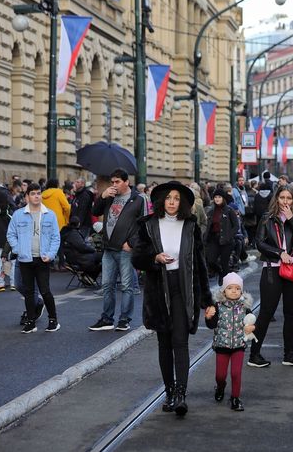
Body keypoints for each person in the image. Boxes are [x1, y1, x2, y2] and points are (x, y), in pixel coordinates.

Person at [131, 181, 214, 417]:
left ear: (183, 203)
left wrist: (207, 300)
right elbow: (137, 258)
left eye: (177, 199)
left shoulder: (190, 226)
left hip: (183, 288)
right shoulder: (147, 225)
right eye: (168, 198)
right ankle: (168, 391)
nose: (172, 202)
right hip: (158, 289)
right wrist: (154, 258)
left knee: (181, 340)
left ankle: (180, 394)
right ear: (160, 201)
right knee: (164, 343)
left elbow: (200, 264)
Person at [249, 185, 293, 368]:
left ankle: (289, 354)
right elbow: (258, 242)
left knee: (291, 313)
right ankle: (254, 354)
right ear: (276, 199)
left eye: (289, 198)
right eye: (282, 197)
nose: (285, 201)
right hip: (272, 269)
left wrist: (292, 220)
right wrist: (278, 252)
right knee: (266, 312)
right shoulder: (267, 218)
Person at [89, 168, 146, 332]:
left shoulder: (138, 199)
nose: (114, 185)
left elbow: (143, 225)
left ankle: (124, 319)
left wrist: (132, 243)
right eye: (112, 182)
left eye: (117, 182)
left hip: (125, 249)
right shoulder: (109, 197)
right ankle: (107, 319)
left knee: (127, 286)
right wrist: (102, 196)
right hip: (109, 248)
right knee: (107, 285)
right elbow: (94, 212)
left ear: (126, 182)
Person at [6, 183, 61, 333]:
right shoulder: (18, 214)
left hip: (43, 259)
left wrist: (50, 255)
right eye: (33, 193)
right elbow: (11, 234)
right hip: (25, 259)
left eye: (38, 193)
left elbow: (56, 238)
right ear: (27, 196)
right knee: (29, 292)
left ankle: (53, 320)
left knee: (45, 291)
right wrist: (18, 249)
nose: (36, 196)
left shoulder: (49, 214)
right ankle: (31, 322)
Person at [204, 272, 254, 412]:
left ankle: (235, 398)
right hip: (222, 346)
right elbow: (212, 325)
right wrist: (208, 317)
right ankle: (220, 386)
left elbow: (251, 322)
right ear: (224, 290)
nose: (234, 291)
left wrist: (251, 328)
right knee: (220, 375)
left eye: (237, 288)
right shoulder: (218, 306)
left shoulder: (245, 307)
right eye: (230, 288)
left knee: (236, 373)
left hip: (238, 345)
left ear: (241, 291)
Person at [204, 189, 239, 286]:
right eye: (215, 197)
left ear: (223, 198)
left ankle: (226, 284)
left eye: (219, 197)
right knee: (210, 260)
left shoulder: (229, 210)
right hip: (214, 239)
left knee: (225, 263)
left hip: (227, 241)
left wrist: (229, 236)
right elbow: (207, 226)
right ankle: (220, 272)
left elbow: (236, 226)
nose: (217, 199)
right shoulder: (210, 211)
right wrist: (205, 238)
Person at [61, 216, 102, 284]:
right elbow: (82, 247)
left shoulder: (66, 232)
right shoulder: (73, 233)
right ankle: (90, 277)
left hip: (74, 257)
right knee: (102, 258)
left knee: (99, 260)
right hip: (80, 258)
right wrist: (93, 250)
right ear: (78, 224)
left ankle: (88, 276)